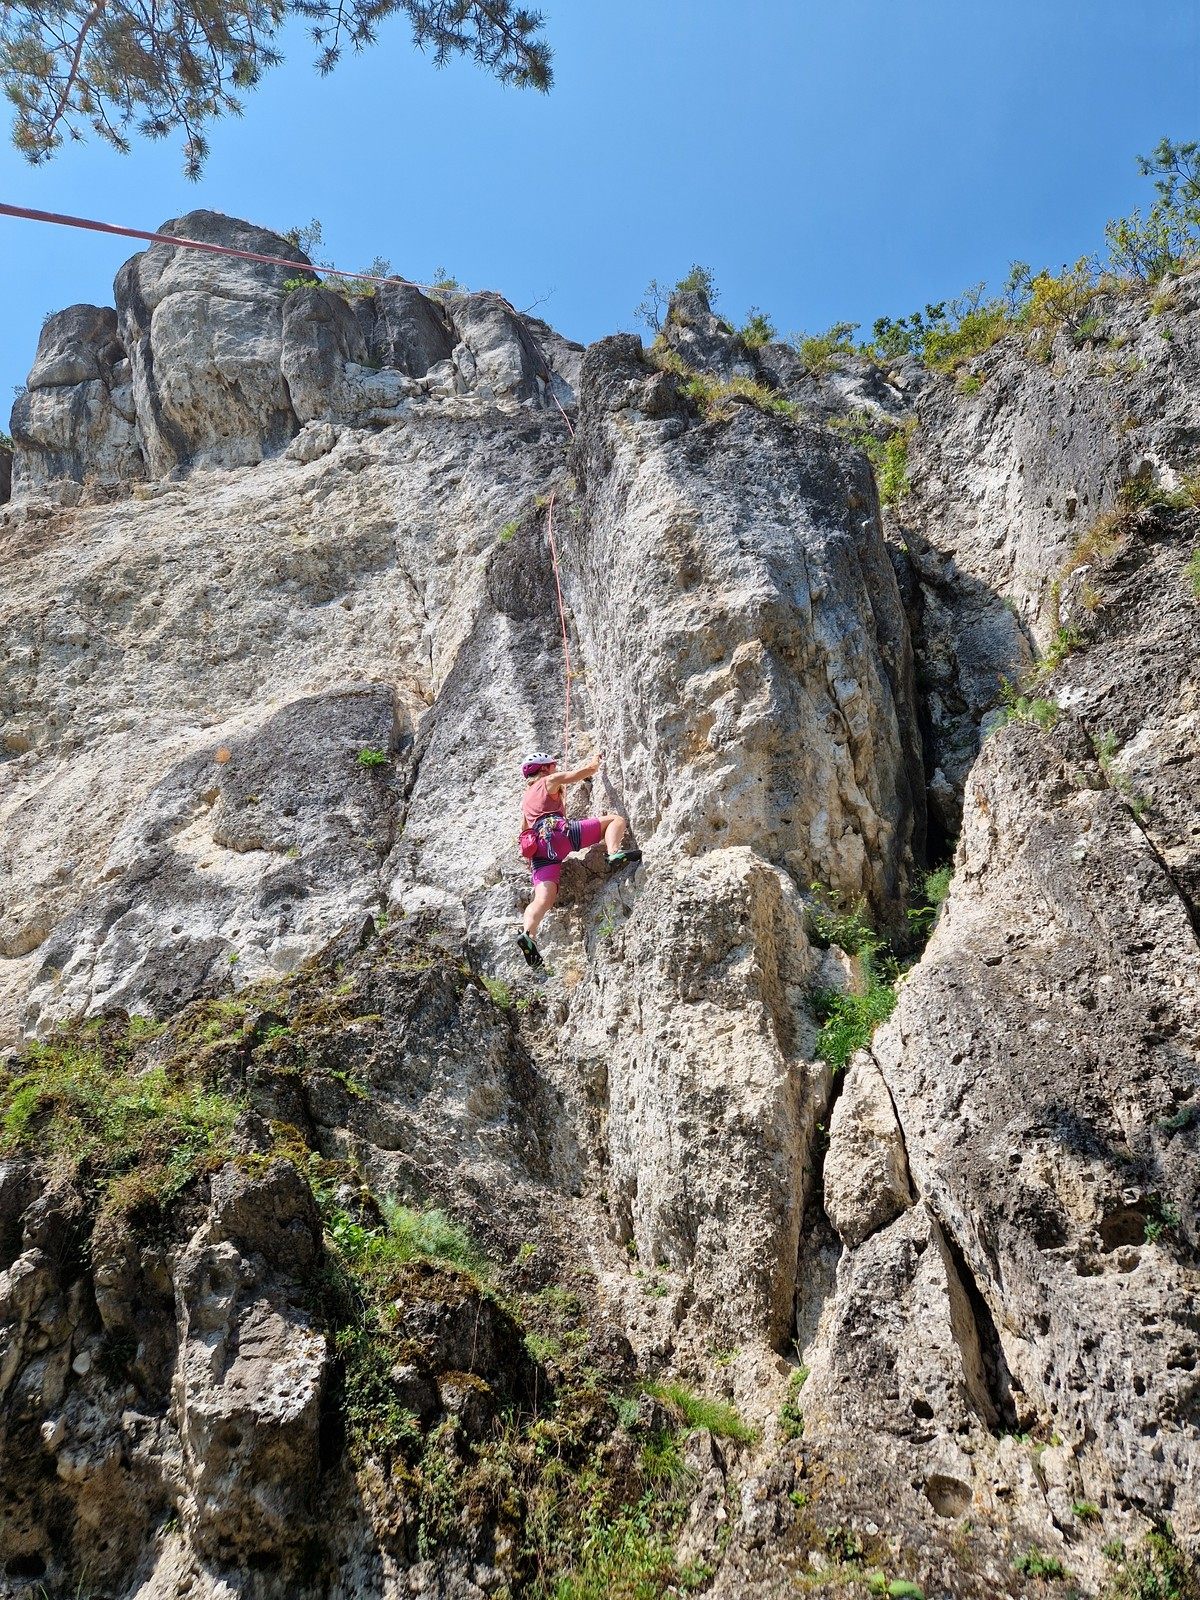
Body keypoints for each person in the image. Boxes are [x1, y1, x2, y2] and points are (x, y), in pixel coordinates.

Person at [516, 749, 640, 967]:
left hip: (539, 851)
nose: (555, 769)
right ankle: (613, 854)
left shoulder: (526, 800)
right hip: (558, 833)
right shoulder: (550, 780)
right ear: (544, 769)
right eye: (552, 766)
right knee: (615, 820)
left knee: (542, 900)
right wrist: (595, 759)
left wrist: (532, 865)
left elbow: (524, 831)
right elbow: (586, 771)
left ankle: (528, 934)